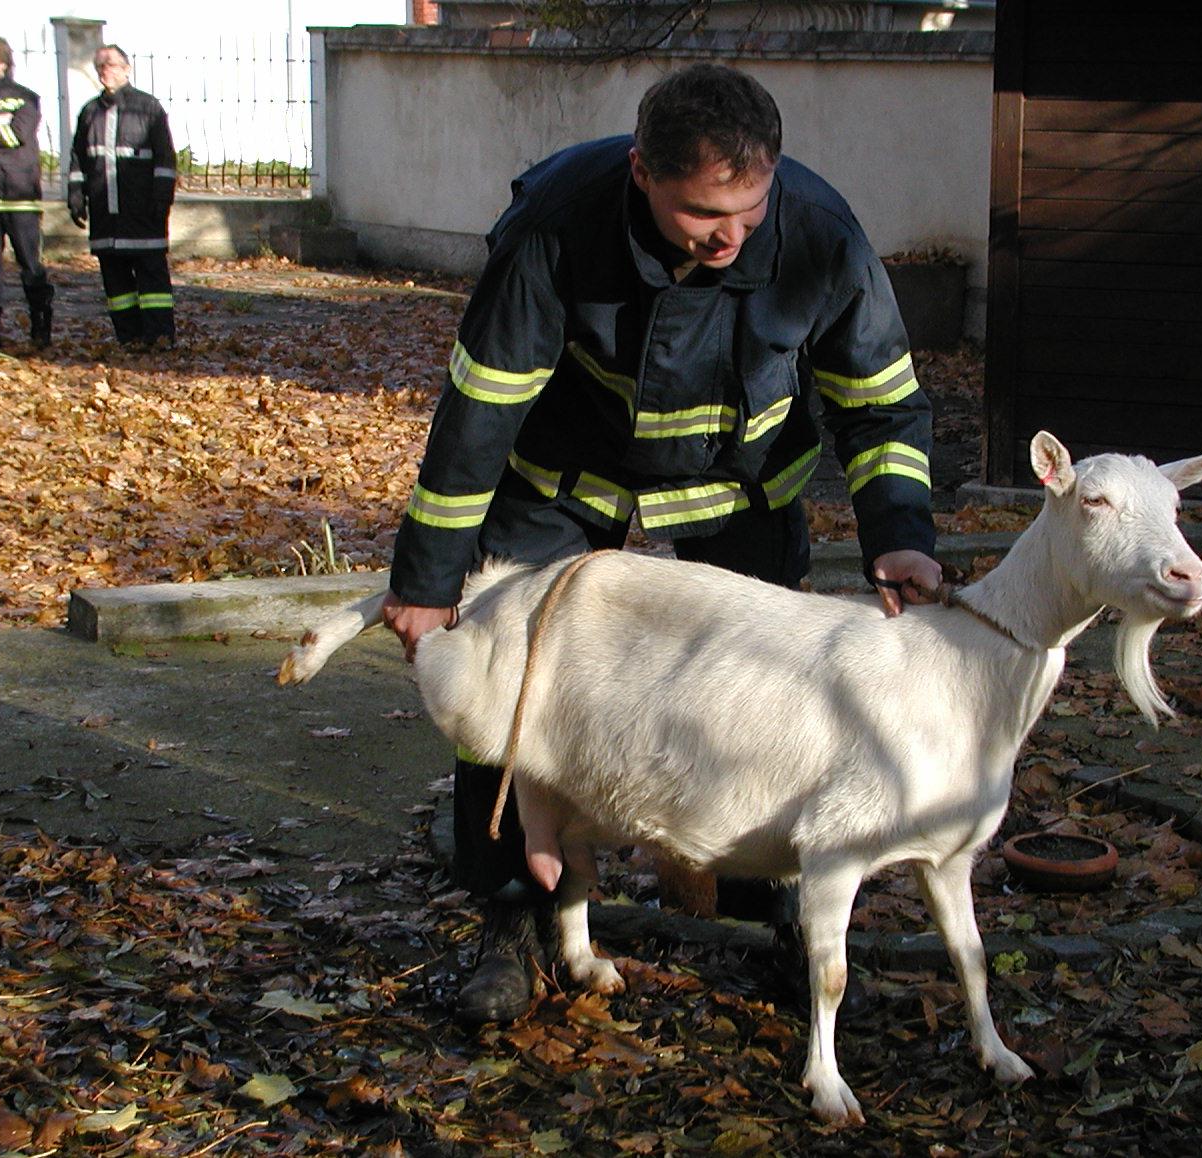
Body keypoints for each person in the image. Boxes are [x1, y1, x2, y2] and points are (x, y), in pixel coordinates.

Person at [383, 63, 943, 1027]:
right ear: (643, 173)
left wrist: (899, 535)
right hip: (568, 481)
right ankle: (515, 921)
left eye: (749, 211)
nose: (730, 240)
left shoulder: (819, 234)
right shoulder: (556, 229)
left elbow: (881, 403)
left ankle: (766, 905)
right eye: (701, 217)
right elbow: (477, 417)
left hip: (742, 496)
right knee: (512, 689)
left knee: (770, 697)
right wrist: (429, 582)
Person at [66, 44, 177, 348]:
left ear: (127, 68)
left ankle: (161, 335)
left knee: (152, 277)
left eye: (113, 64)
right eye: (100, 65)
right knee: (116, 282)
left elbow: (165, 159)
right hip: (105, 212)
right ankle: (129, 337)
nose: (106, 70)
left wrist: (161, 198)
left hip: (142, 209)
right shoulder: (89, 112)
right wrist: (76, 193)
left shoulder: (148, 107)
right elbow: (79, 159)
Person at [0, 34, 54, 350]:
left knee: (31, 267)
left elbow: (16, 134)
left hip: (19, 198)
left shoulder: (25, 98)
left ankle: (41, 332)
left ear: (2, 61)